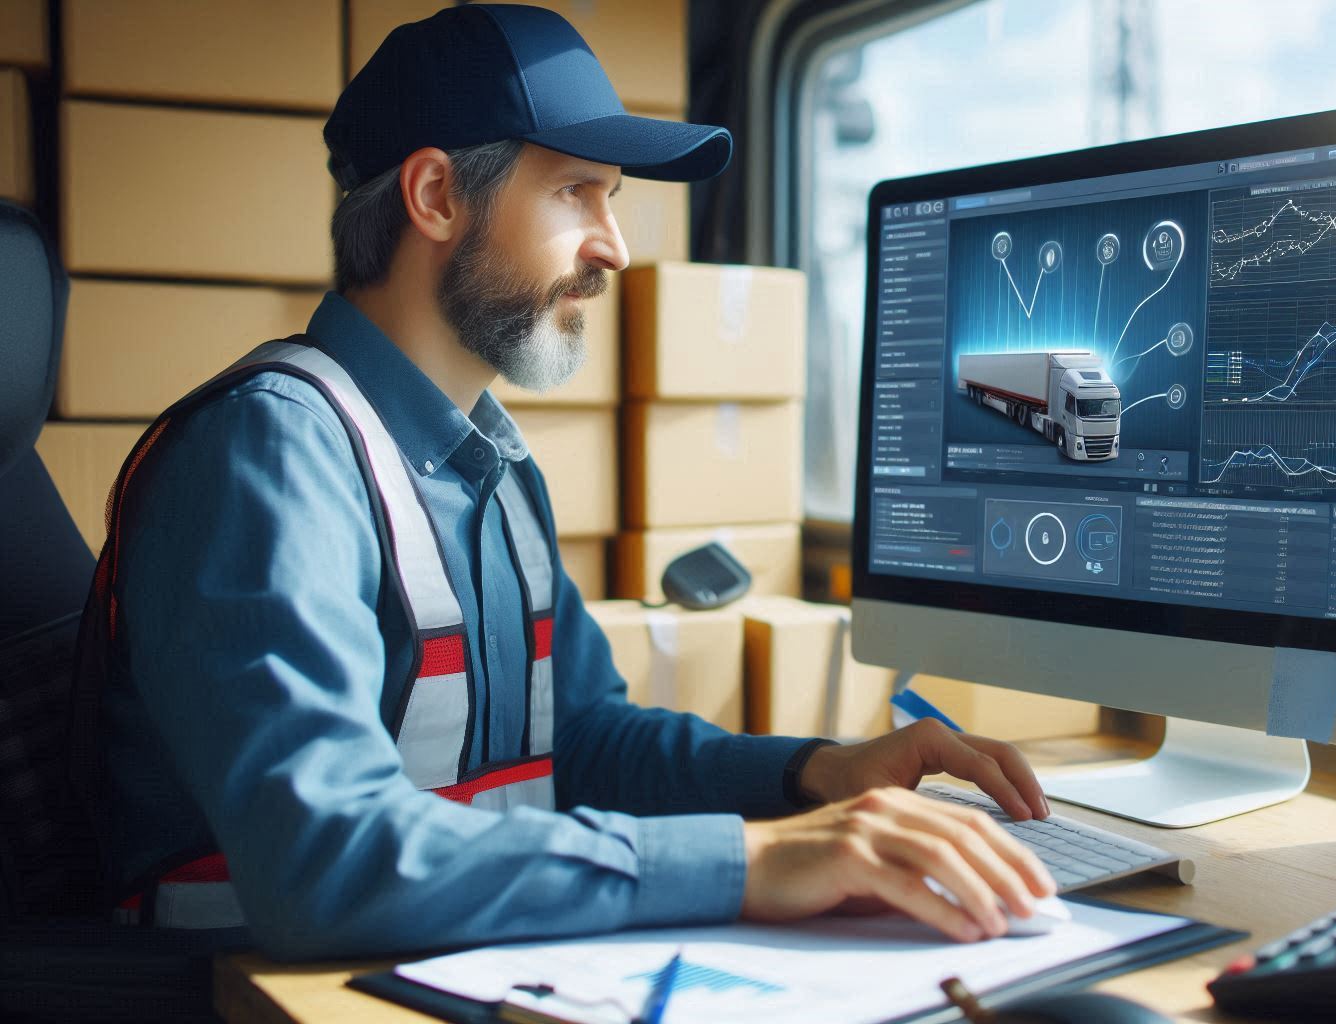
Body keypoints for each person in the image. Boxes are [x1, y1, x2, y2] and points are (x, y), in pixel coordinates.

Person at [83, 3, 1054, 960]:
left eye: (611, 199)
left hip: (449, 967)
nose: (613, 247)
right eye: (574, 192)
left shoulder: (494, 465)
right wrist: (745, 860)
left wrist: (816, 774)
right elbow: (324, 864)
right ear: (434, 197)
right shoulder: (268, 454)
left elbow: (580, 740)